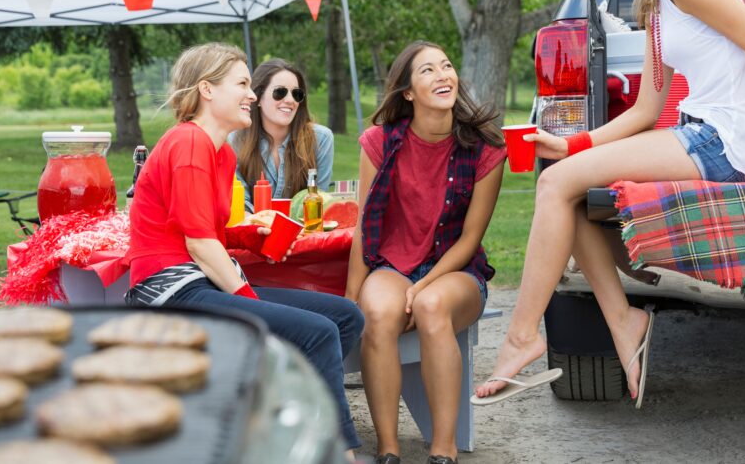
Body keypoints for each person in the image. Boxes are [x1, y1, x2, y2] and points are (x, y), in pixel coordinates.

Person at [474, 0, 745, 408]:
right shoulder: (655, 2)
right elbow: (645, 111)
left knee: (556, 185)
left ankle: (521, 338)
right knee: (572, 192)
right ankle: (626, 323)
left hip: (724, 139)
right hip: (699, 132)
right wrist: (572, 145)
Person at [123, 42, 364, 456]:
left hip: (200, 282)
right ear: (207, 90)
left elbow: (203, 229)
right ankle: (337, 451)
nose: (252, 95)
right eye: (243, 84)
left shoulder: (218, 152)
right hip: (170, 292)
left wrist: (249, 235)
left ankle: (271, 421)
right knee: (319, 331)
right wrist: (248, 299)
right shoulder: (188, 143)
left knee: (344, 316)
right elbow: (199, 245)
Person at [345, 41, 507, 464]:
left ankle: (443, 450)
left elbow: (471, 238)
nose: (443, 75)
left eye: (447, 66)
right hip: (393, 265)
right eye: (428, 70)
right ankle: (388, 449)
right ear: (408, 93)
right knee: (377, 312)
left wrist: (424, 286)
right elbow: (365, 226)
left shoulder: (486, 147)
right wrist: (350, 297)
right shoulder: (378, 142)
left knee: (433, 306)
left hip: (456, 271)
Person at [230, 59, 334, 209]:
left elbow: (318, 202)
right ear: (258, 98)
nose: (290, 100)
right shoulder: (235, 139)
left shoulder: (321, 139)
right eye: (280, 92)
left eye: (297, 94)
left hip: (304, 230)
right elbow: (242, 204)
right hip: (252, 228)